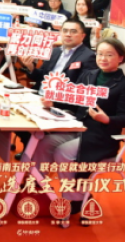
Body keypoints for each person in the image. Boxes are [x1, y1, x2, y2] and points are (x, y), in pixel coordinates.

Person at [32, 38, 125, 214]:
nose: (103, 58)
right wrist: (53, 103)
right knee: (45, 143)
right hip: (78, 127)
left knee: (63, 152)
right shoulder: (88, 75)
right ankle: (35, 184)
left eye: (109, 55)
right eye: (100, 54)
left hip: (102, 136)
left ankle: (76, 198)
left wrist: (106, 119)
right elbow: (73, 102)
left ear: (121, 58)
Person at [15, 18, 99, 158]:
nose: (68, 34)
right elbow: (41, 77)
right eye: (65, 31)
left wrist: (54, 102)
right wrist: (30, 67)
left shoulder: (88, 57)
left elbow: (81, 90)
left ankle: (32, 151)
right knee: (13, 114)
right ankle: (28, 146)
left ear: (83, 36)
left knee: (24, 120)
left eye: (73, 31)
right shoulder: (54, 52)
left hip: (60, 105)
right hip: (39, 97)